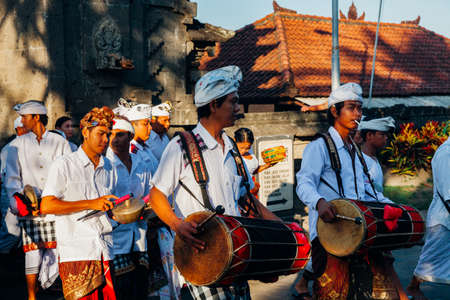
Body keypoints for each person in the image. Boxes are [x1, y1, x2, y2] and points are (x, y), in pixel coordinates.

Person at [149, 65, 281, 300]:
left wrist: (281, 228)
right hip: (201, 261)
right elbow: (157, 195)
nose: (238, 108)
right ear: (213, 105)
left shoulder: (231, 147)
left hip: (234, 258)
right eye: (233, 102)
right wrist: (177, 224)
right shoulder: (181, 146)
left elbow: (247, 199)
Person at [295, 83, 398, 300]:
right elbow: (304, 183)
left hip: (355, 235)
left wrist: (391, 205)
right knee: (333, 294)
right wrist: (319, 202)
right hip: (329, 236)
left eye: (360, 108)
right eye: (352, 108)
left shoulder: (356, 152)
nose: (358, 114)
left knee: (360, 292)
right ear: (334, 111)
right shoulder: (319, 146)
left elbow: (367, 191)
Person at [40, 106, 118, 300]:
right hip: (77, 251)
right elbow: (47, 205)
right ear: (85, 132)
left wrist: (119, 212)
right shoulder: (64, 164)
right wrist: (91, 203)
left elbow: (106, 206)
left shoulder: (109, 167)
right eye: (100, 134)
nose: (105, 140)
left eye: (108, 134)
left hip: (105, 249)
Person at [4, 100, 72, 300]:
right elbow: (12, 180)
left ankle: (56, 287)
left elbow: (68, 171)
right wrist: (20, 204)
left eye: (25, 117)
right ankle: (32, 296)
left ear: (36, 117)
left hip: (55, 204)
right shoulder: (15, 146)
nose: (22, 121)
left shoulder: (59, 141)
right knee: (32, 251)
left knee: (59, 248)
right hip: (30, 207)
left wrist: (64, 200)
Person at [106, 115, 152, 300]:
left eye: (120, 135)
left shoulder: (141, 162)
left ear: (130, 136)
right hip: (115, 236)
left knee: (140, 287)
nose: (114, 140)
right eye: (111, 134)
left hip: (139, 234)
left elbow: (148, 193)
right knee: (121, 289)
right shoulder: (105, 165)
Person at [406, 136, 450, 300]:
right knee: (431, 256)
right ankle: (412, 287)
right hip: (443, 219)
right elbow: (448, 191)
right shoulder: (446, 152)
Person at [0, 117, 29, 253]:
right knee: (12, 232)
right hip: (12, 196)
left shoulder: (28, 145)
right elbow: (6, 177)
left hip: (26, 196)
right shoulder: (10, 148)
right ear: (19, 129)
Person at [118, 103, 159, 174]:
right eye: (145, 124)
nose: (150, 127)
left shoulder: (145, 147)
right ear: (131, 126)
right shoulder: (129, 151)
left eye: (150, 124)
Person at [358, 117, 396, 192]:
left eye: (386, 135)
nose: (386, 138)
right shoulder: (360, 160)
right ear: (369, 135)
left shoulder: (373, 158)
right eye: (382, 134)